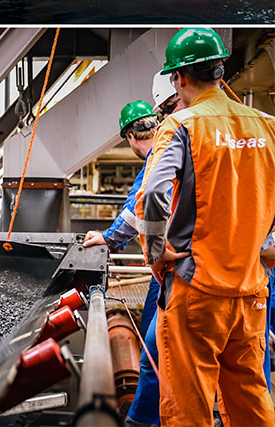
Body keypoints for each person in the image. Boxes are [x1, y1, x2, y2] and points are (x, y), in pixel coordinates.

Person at [135, 27, 275, 427]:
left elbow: (155, 194)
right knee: (250, 401)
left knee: (188, 405)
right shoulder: (267, 125)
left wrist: (156, 252)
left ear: (178, 78)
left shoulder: (181, 125)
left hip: (197, 291)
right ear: (219, 69)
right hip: (252, 293)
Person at [84, 91, 181, 427]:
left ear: (129, 136)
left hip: (176, 269)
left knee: (156, 350)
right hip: (236, 267)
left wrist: (109, 239)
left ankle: (142, 421)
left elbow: (139, 206)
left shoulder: (161, 154)